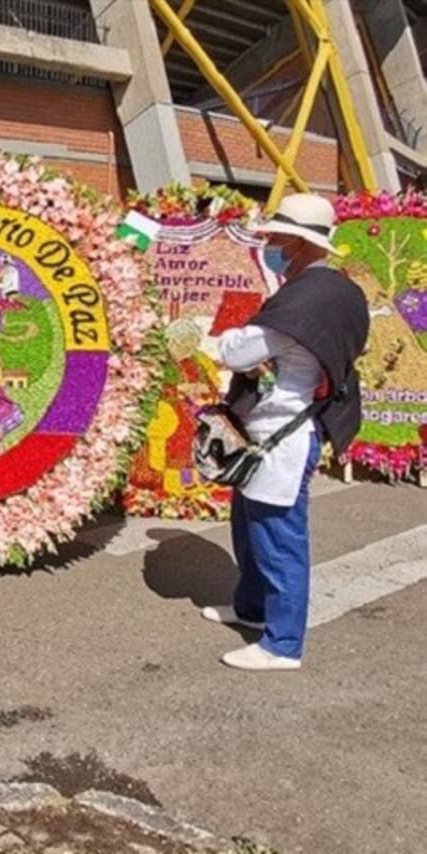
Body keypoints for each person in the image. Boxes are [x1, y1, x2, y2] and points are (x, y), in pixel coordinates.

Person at [204, 193, 369, 671]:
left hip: (286, 430)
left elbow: (239, 351)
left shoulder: (308, 298)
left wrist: (208, 339)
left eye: (279, 236)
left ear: (299, 242)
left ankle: (282, 644)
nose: (271, 243)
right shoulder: (333, 289)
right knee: (251, 522)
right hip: (277, 427)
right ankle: (253, 610)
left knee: (278, 536)